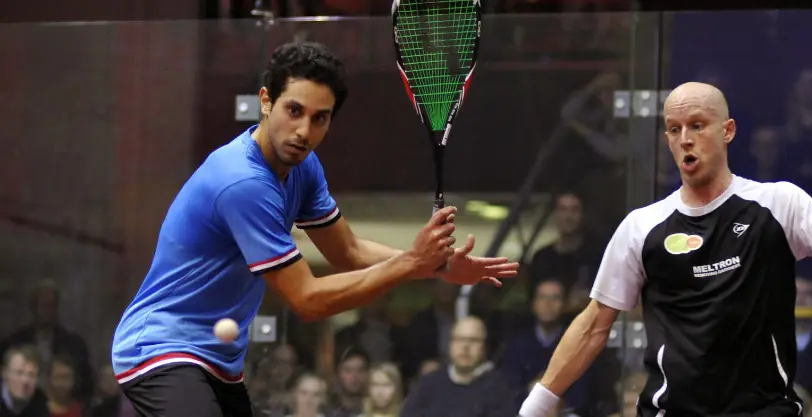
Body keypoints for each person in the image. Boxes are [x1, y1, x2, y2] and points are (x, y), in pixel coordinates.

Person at [110, 41, 518, 417]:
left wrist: (439, 268)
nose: (304, 131)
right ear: (266, 101)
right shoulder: (244, 183)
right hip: (160, 348)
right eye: (294, 111)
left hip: (216, 358)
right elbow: (307, 300)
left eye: (319, 118)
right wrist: (413, 262)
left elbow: (349, 253)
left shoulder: (303, 167)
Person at [517, 82, 812, 417]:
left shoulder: (778, 203)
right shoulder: (641, 227)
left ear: (728, 131)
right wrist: (537, 404)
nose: (685, 139)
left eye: (697, 125)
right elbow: (595, 323)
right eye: (675, 130)